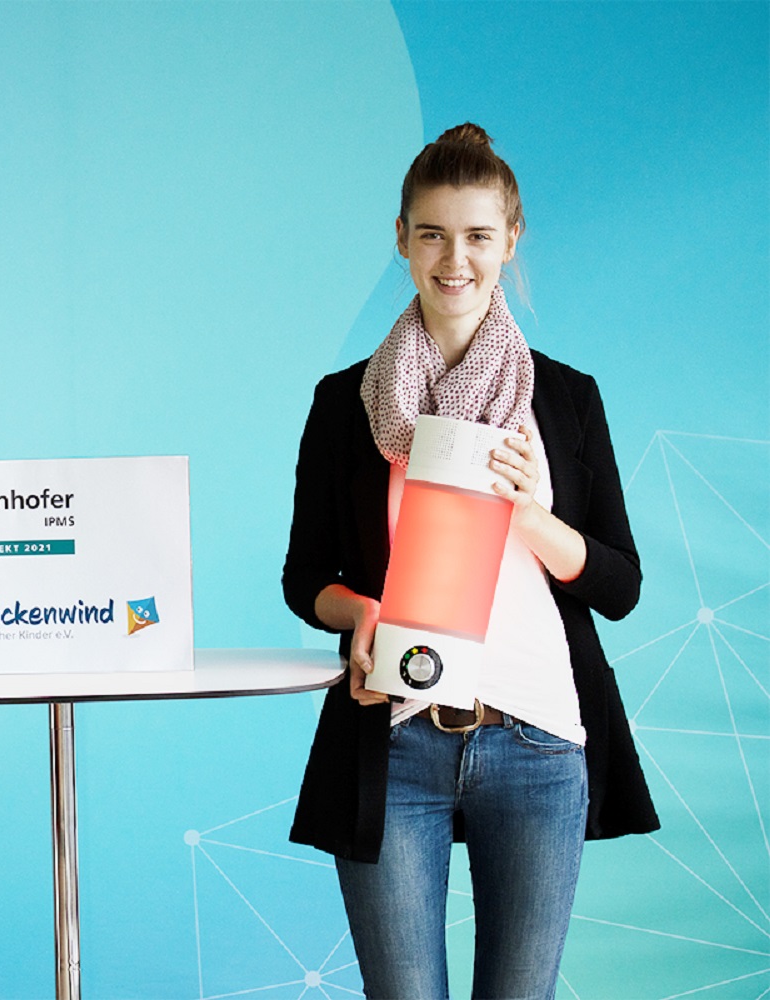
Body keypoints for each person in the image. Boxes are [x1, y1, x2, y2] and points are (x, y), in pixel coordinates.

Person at [281, 123, 659, 999]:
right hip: (395, 736)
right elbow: (306, 578)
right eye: (433, 234)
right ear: (403, 239)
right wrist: (358, 613)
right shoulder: (344, 404)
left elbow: (621, 585)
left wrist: (532, 517)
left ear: (511, 241)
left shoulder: (565, 399)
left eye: (479, 236)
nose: (456, 260)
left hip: (537, 742)